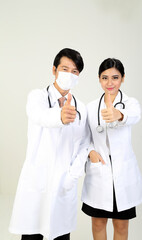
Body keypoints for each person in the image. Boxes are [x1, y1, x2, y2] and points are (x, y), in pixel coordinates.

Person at [9, 48, 89, 240]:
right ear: (54, 70)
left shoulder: (81, 108)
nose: (69, 75)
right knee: (32, 233)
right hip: (38, 179)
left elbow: (84, 144)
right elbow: (39, 115)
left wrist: (73, 175)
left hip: (63, 182)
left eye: (75, 71)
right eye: (65, 69)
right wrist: (60, 116)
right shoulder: (37, 97)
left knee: (60, 234)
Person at [81, 58, 142, 240]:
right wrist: (90, 152)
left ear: (123, 78)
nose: (110, 83)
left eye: (115, 77)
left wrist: (119, 115)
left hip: (123, 171)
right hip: (99, 168)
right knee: (98, 222)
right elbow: (84, 138)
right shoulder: (91, 107)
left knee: (121, 224)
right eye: (105, 77)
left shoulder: (131, 103)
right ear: (99, 79)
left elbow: (134, 116)